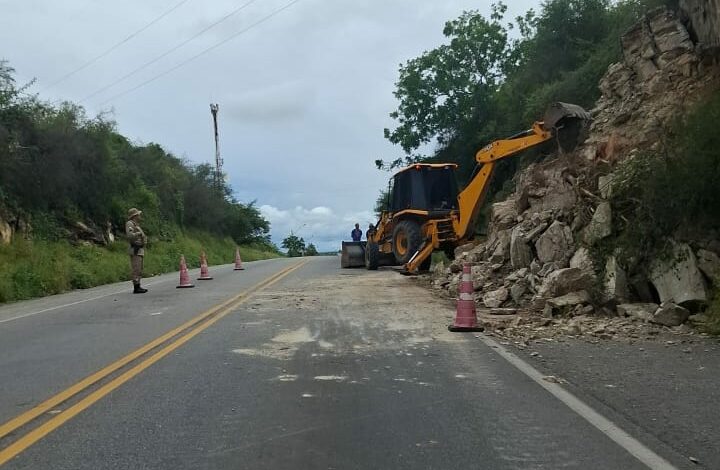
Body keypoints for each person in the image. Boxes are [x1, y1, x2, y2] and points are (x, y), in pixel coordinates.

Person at [126, 208, 148, 294]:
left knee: (139, 268)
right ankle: (136, 287)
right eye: (138, 214)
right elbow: (130, 235)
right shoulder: (130, 224)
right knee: (136, 268)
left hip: (140, 249)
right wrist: (138, 234)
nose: (140, 216)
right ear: (135, 216)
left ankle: (138, 285)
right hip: (135, 249)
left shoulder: (136, 225)